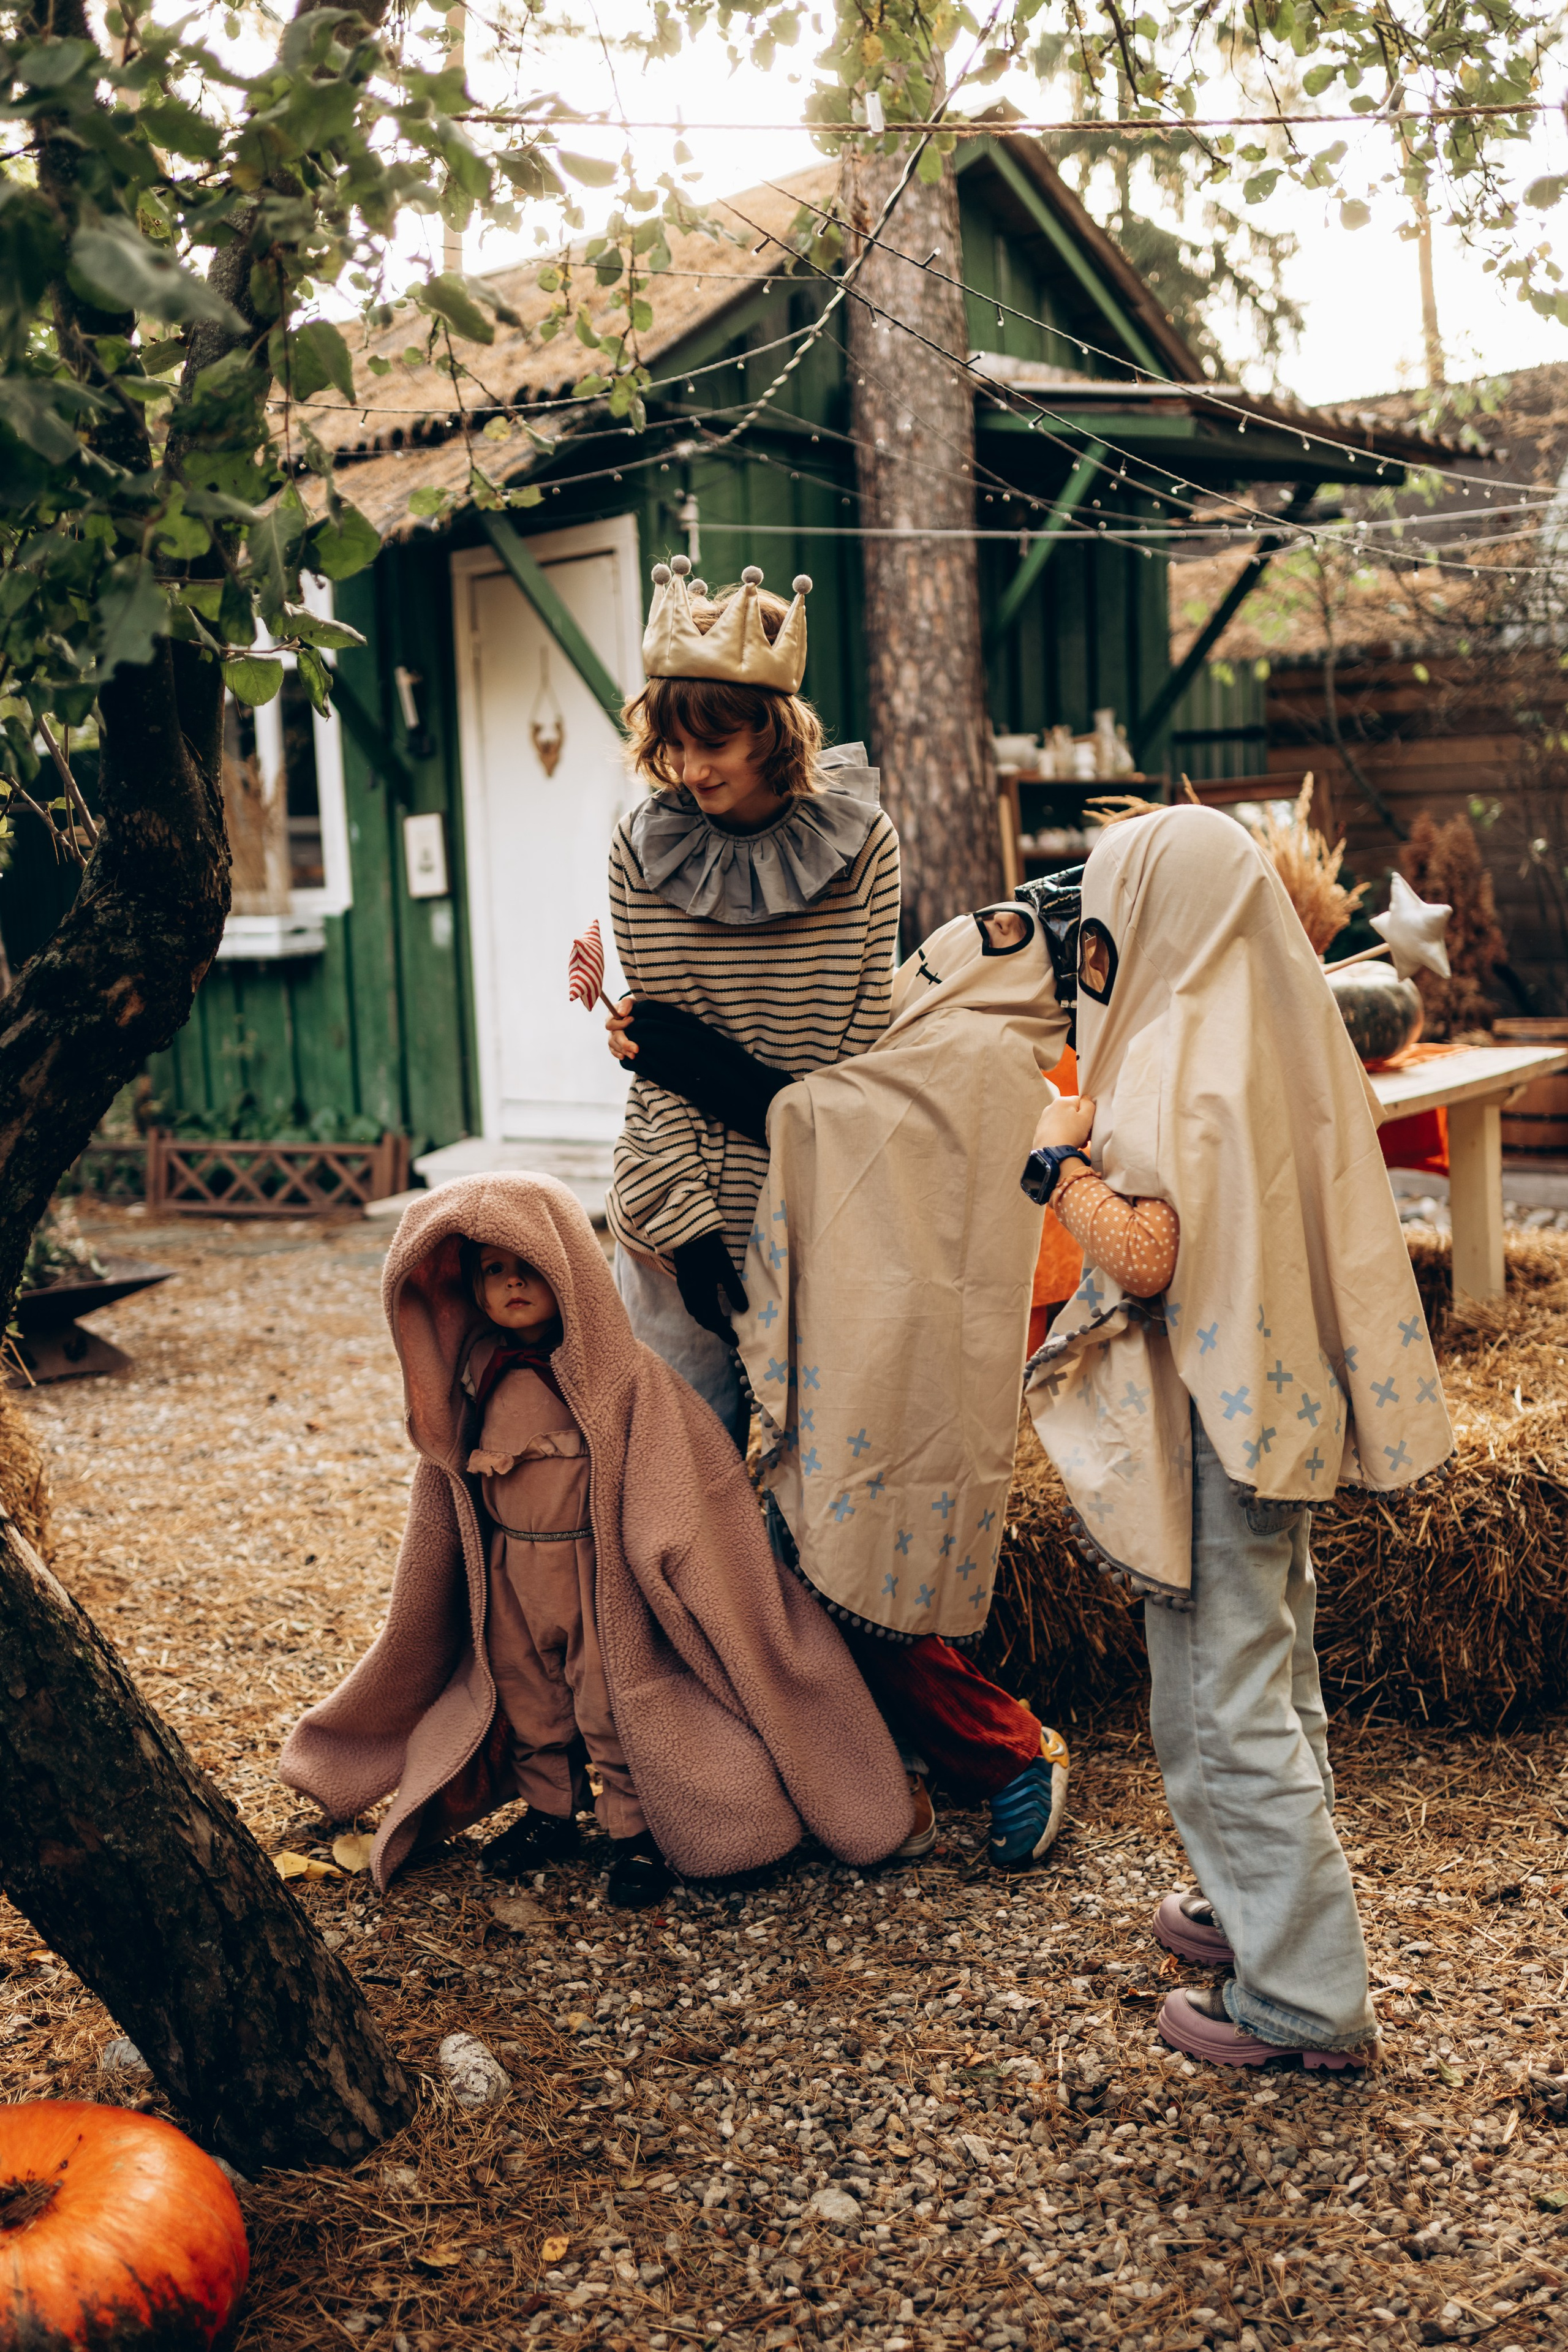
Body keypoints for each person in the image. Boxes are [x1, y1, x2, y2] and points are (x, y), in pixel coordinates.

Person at [1022, 805, 1455, 2070]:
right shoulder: (1273, 1023)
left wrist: (1059, 1168)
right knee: (1274, 1670)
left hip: (1211, 1419)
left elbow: (1147, 1253)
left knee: (1220, 1708)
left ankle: (1302, 1996)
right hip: (1279, 1399)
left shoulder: (1173, 1052)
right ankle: (1249, 1901)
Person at [279, 1174, 916, 1903]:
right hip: (509, 1570)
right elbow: (448, 1482)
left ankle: (633, 1833)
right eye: (493, 1271)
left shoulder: (623, 1380)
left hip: (593, 1570)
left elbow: (684, 1482)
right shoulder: (475, 1371)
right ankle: (549, 1813)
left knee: (609, 1701)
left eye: (529, 1267)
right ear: (469, 1286)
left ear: (569, 1272)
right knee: (526, 1698)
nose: (512, 1285)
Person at [616, 902, 1074, 1872]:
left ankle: (1008, 1749)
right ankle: (854, 1776)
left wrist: (693, 1061)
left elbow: (830, 1124)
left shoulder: (988, 1058)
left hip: (892, 1361)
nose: (934, 956)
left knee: (832, 1563)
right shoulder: (949, 1041)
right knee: (794, 1556)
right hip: (866, 1335)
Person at [606, 556, 899, 1453]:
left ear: (772, 732)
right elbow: (654, 1065)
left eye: (717, 744)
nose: (691, 770)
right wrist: (686, 1227)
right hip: (673, 1210)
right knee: (678, 1469)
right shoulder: (642, 847)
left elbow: (854, 1060)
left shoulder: (863, 846)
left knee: (815, 1477)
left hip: (814, 1211)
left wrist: (715, 1076)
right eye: (674, 744)